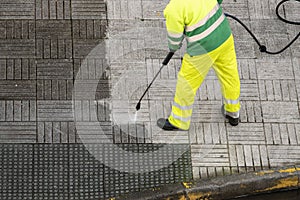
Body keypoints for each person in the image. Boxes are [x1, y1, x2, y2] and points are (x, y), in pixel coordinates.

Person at [157, 0, 241, 131]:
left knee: (187, 82)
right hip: (224, 35)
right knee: (230, 75)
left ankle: (179, 120)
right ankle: (233, 113)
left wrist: (174, 47)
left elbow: (175, 41)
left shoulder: (173, 8)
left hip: (202, 47)